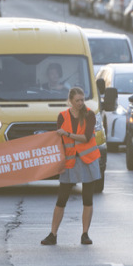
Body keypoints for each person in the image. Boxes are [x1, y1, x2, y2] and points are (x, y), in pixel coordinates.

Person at [41, 87, 101, 246]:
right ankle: (53, 234)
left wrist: (67, 134)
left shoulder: (89, 114)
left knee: (88, 199)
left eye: (82, 100)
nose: (81, 103)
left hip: (88, 160)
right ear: (70, 101)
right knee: (61, 199)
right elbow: (58, 140)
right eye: (78, 100)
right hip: (70, 161)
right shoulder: (62, 116)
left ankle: (85, 234)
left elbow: (87, 137)